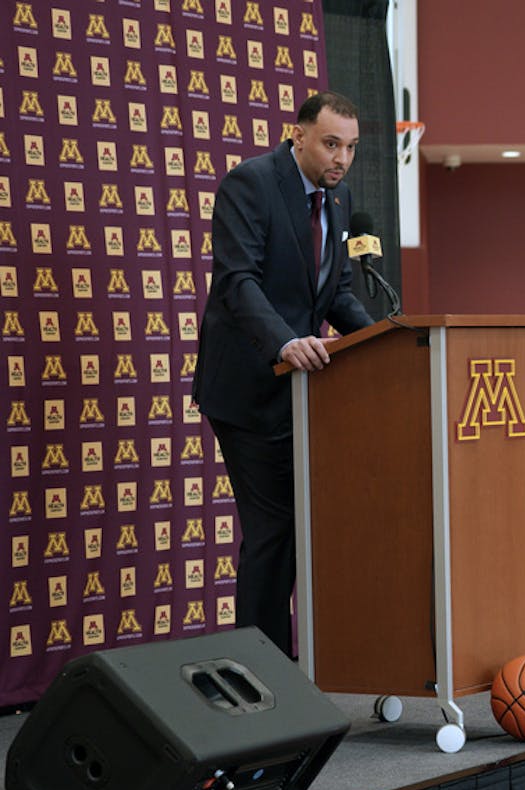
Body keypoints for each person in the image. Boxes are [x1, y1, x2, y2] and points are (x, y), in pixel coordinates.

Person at [194, 91, 374, 657]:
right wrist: (286, 340)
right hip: (247, 388)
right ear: (296, 135)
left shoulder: (337, 200)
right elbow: (238, 281)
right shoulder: (251, 183)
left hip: (299, 391)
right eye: (330, 144)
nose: (340, 158)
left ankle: (283, 661)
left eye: (350, 148)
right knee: (273, 532)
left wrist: (388, 341)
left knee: (298, 530)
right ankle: (260, 671)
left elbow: (337, 293)